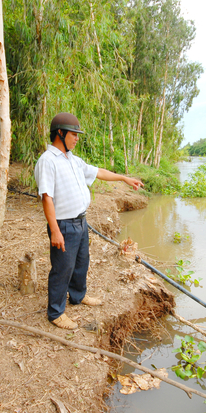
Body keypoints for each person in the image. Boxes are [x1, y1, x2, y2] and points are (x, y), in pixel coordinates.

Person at [34, 112, 144, 330]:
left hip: (81, 222)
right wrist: (55, 231)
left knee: (81, 263)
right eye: (73, 134)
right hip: (64, 225)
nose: (76, 138)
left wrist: (123, 178)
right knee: (62, 268)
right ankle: (56, 312)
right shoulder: (47, 161)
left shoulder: (72, 160)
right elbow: (47, 198)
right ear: (60, 133)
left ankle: (77, 296)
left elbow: (98, 172)